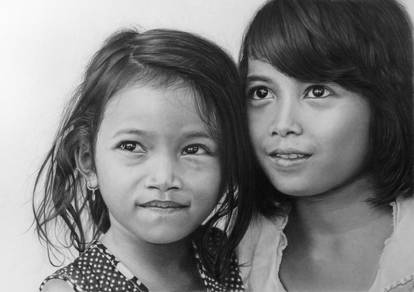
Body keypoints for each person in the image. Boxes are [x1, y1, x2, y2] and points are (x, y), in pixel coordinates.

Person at [33, 28, 255, 292]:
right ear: (87, 159)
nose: (164, 178)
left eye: (194, 149)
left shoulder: (230, 258)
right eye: (132, 146)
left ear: (229, 162)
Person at [237, 0, 414, 291]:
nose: (282, 124)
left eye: (317, 91)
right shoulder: (229, 249)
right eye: (261, 92)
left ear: (385, 100)